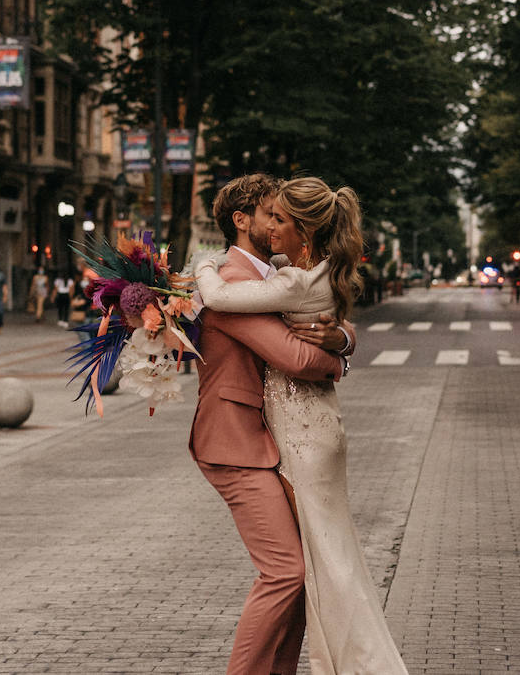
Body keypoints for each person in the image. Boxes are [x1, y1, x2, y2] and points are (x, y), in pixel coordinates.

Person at [196, 176, 405, 675]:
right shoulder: (233, 277)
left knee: (305, 570)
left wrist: (342, 337)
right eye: (271, 213)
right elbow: (294, 356)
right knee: (288, 571)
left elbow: (318, 311)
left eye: (283, 216)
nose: (276, 226)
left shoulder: (278, 273)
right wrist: (337, 356)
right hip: (235, 440)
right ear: (242, 220)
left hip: (275, 437)